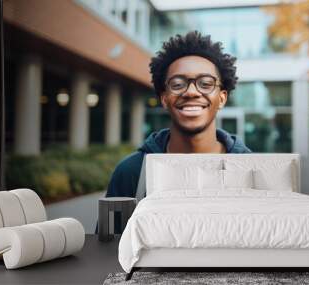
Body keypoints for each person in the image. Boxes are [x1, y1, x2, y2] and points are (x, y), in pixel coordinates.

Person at [104, 31, 252, 233]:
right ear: (164, 98)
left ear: (222, 98)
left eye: (206, 83)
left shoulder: (252, 169)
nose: (191, 92)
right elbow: (108, 253)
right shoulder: (132, 172)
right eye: (178, 84)